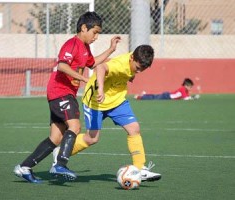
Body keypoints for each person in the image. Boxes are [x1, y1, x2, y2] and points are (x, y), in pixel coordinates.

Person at [13, 11, 121, 183]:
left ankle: (24, 167)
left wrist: (111, 49)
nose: (96, 37)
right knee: (75, 126)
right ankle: (60, 164)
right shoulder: (72, 44)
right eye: (95, 32)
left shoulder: (85, 48)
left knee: (55, 138)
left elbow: (93, 63)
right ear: (84, 28)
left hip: (64, 93)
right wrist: (84, 78)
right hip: (60, 91)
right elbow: (62, 66)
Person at [52, 45, 162, 182]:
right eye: (138, 68)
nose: (139, 71)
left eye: (142, 69)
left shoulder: (135, 58)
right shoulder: (119, 65)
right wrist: (101, 90)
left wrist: (130, 76)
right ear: (132, 58)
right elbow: (100, 67)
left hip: (116, 100)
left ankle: (140, 168)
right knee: (92, 138)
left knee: (134, 129)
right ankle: (61, 152)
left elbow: (128, 70)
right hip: (95, 102)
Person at [135, 78, 200, 100]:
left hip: (167, 96)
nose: (190, 88)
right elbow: (186, 98)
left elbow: (187, 97)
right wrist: (194, 97)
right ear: (186, 85)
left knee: (154, 96)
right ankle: (140, 97)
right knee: (154, 97)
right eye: (190, 86)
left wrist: (192, 97)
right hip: (167, 96)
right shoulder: (182, 89)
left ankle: (144, 95)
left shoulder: (185, 90)